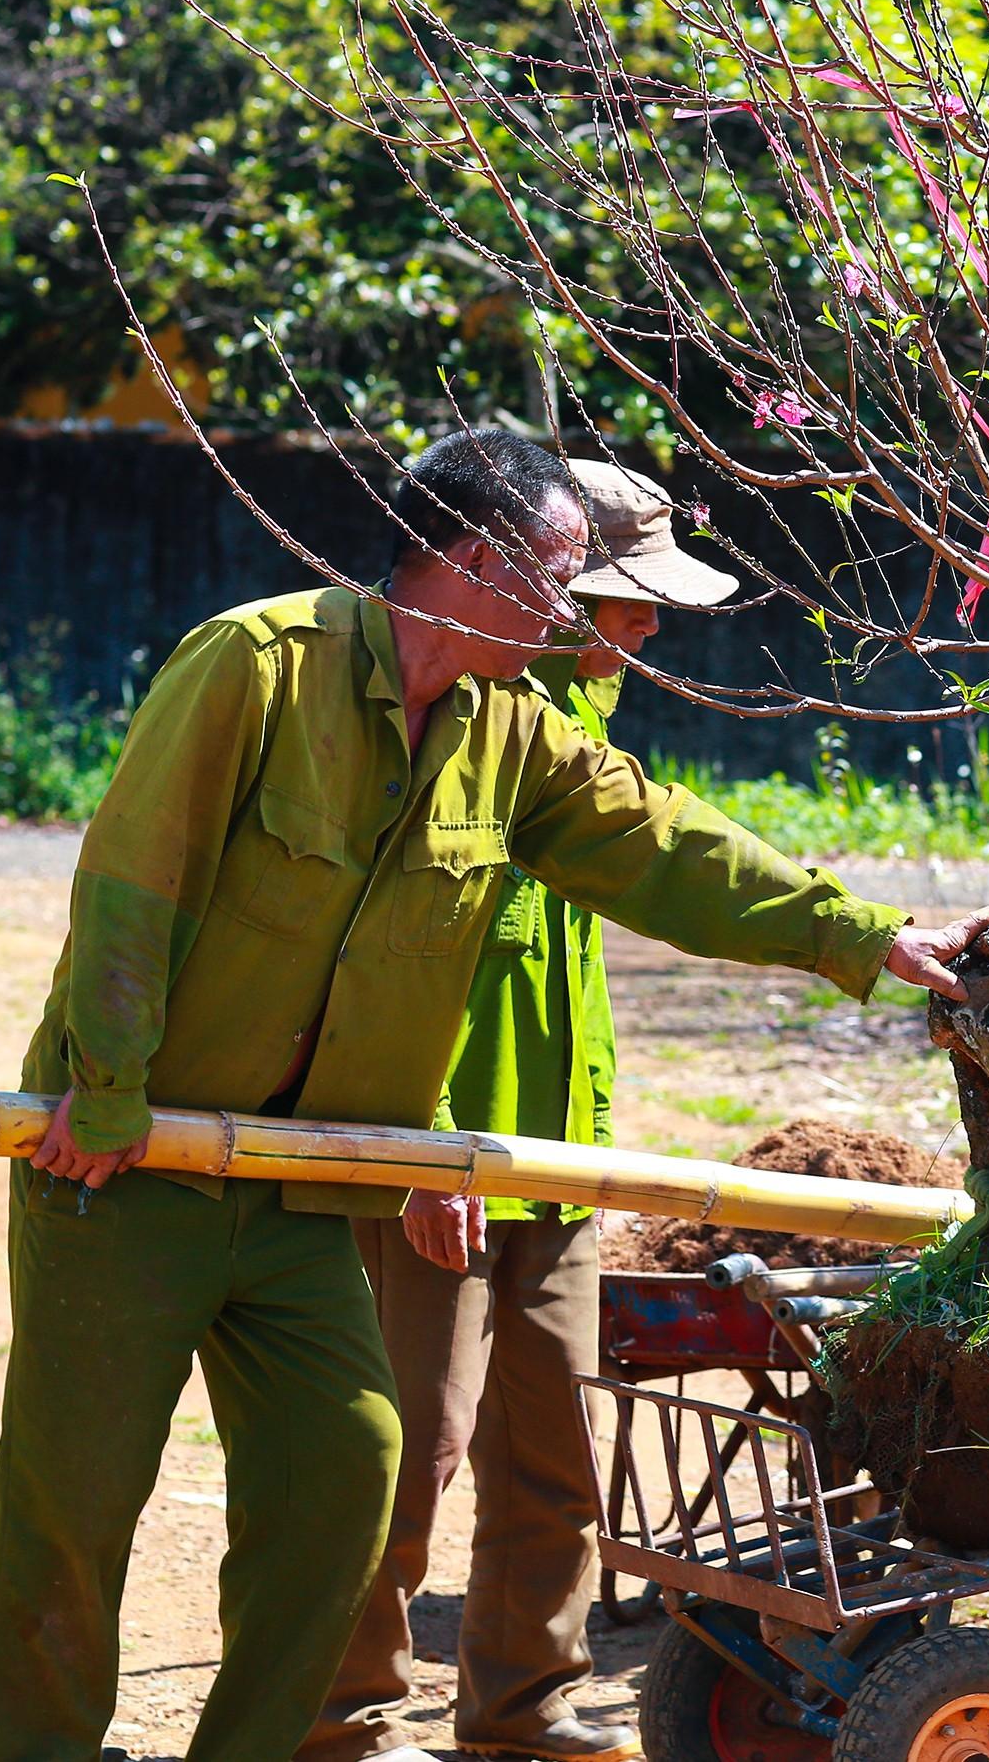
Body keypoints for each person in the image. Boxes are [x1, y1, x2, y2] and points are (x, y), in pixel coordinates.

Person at [0, 427, 989, 1762]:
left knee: (344, 1480)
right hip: (126, 1169)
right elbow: (129, 882)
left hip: (300, 1187)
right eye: (560, 574)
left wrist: (862, 936)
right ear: (473, 560)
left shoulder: (512, 734)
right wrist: (102, 1087)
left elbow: (666, 846)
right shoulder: (254, 668)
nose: (573, 611)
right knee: (74, 1516)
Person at [305, 461, 727, 1762]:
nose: (647, 628)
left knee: (555, 1459)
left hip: (555, 1160)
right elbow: (371, 956)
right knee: (404, 1456)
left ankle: (523, 1703)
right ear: (538, 588)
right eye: (619, 599)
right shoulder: (451, 723)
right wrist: (429, 1144)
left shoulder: (583, 741)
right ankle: (339, 1718)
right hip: (436, 1164)